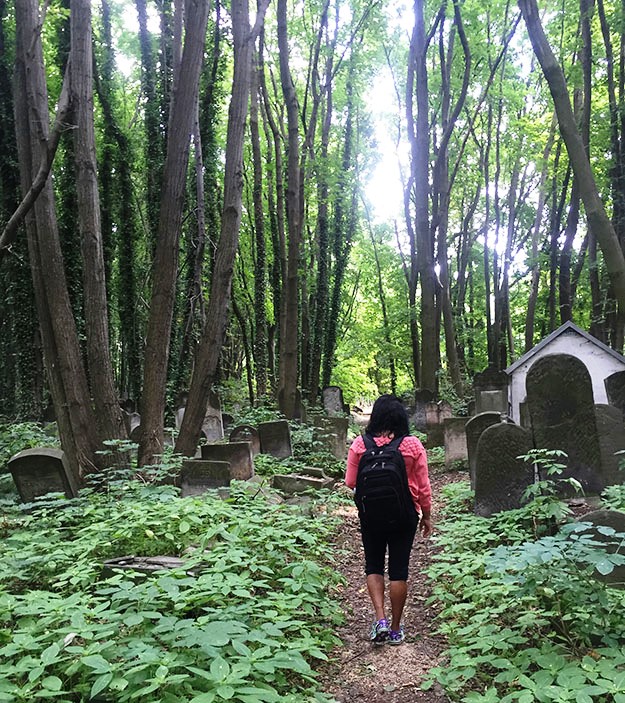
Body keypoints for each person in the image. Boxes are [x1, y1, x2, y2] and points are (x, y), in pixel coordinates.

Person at [345, 394, 433, 645]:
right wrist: (426, 516)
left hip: (370, 515)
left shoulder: (360, 445)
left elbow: (350, 482)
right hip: (404, 514)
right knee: (399, 570)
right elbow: (424, 487)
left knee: (373, 564)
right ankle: (395, 629)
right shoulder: (413, 445)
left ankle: (380, 620)